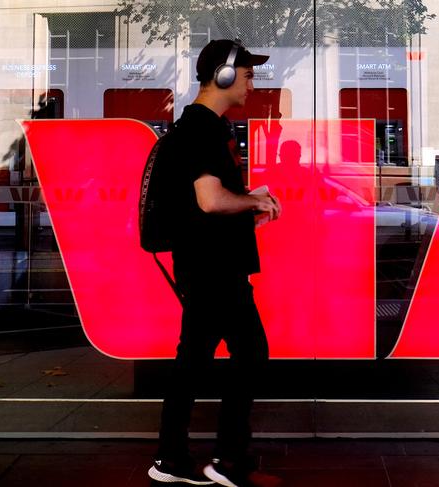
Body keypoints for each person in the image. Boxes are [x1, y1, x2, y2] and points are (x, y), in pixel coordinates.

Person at [147, 39, 282, 487]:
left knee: (194, 359)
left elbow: (199, 206)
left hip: (203, 261)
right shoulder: (204, 130)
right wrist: (252, 200)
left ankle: (170, 459)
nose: (251, 82)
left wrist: (247, 212)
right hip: (214, 268)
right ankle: (228, 461)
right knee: (250, 352)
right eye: (246, 74)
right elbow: (209, 201)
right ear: (222, 76)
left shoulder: (195, 128)